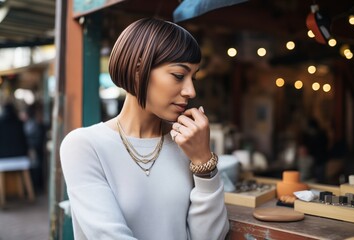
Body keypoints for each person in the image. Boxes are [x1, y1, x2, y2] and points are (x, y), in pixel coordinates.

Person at [60, 18, 229, 240]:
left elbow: (210, 237)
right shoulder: (83, 145)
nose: (191, 91)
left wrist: (203, 163)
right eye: (179, 75)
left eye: (193, 78)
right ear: (139, 69)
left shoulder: (186, 145)